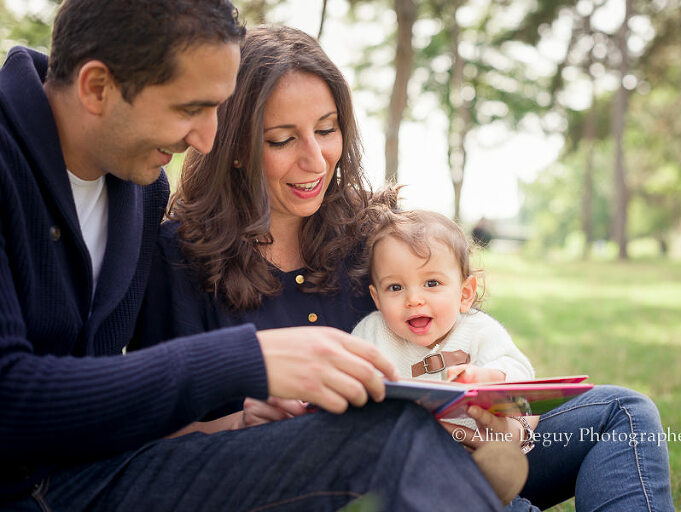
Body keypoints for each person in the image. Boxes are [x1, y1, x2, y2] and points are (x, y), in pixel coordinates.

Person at [134, 25, 675, 512]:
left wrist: (495, 398)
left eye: (327, 130)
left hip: (462, 450)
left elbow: (454, 327)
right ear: (234, 147)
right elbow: (148, 438)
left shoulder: (369, 233)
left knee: (624, 414)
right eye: (282, 140)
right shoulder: (180, 256)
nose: (315, 160)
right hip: (321, 485)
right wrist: (239, 422)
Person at [0, 2, 507, 510]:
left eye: (215, 111)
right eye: (188, 109)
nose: (206, 138)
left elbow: (110, 401)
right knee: (386, 441)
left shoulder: (137, 189)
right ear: (96, 88)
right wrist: (250, 361)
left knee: (584, 418)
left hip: (100, 470)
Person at [351, 207, 534, 384]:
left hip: (470, 415)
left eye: (432, 283)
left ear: (465, 294)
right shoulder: (373, 332)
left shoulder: (479, 330)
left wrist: (487, 376)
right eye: (395, 287)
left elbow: (521, 371)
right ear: (377, 298)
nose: (414, 300)